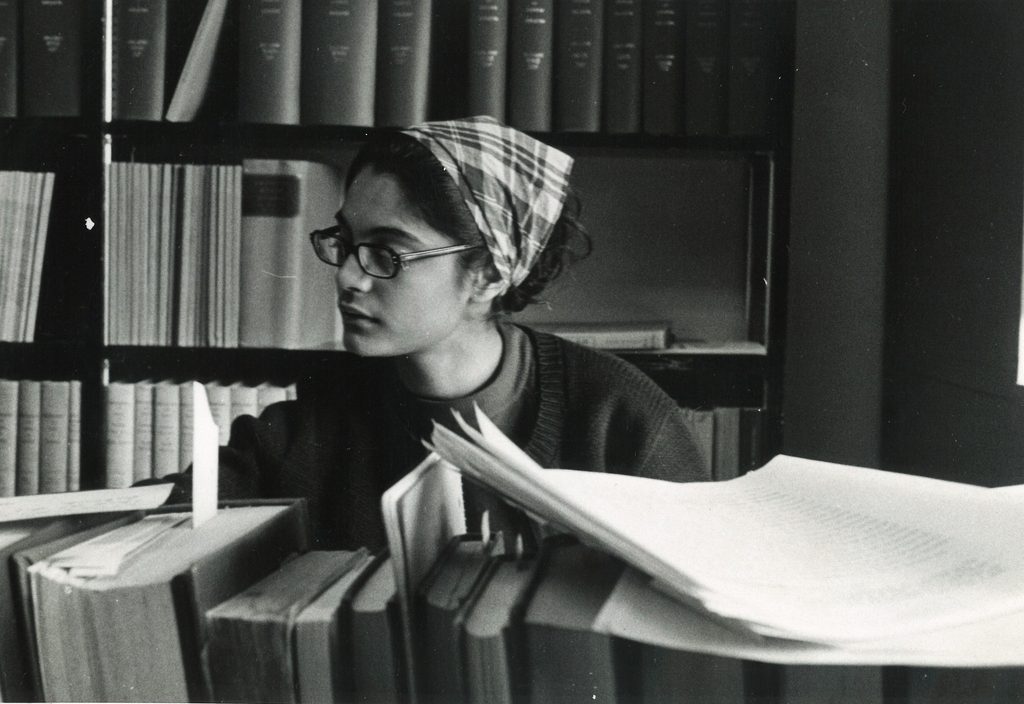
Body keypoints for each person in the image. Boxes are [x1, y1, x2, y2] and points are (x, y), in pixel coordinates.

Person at [160, 116, 708, 550]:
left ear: (488, 275)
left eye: (386, 253)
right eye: (345, 242)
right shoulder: (320, 417)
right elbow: (170, 514)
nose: (347, 276)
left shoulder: (623, 421)